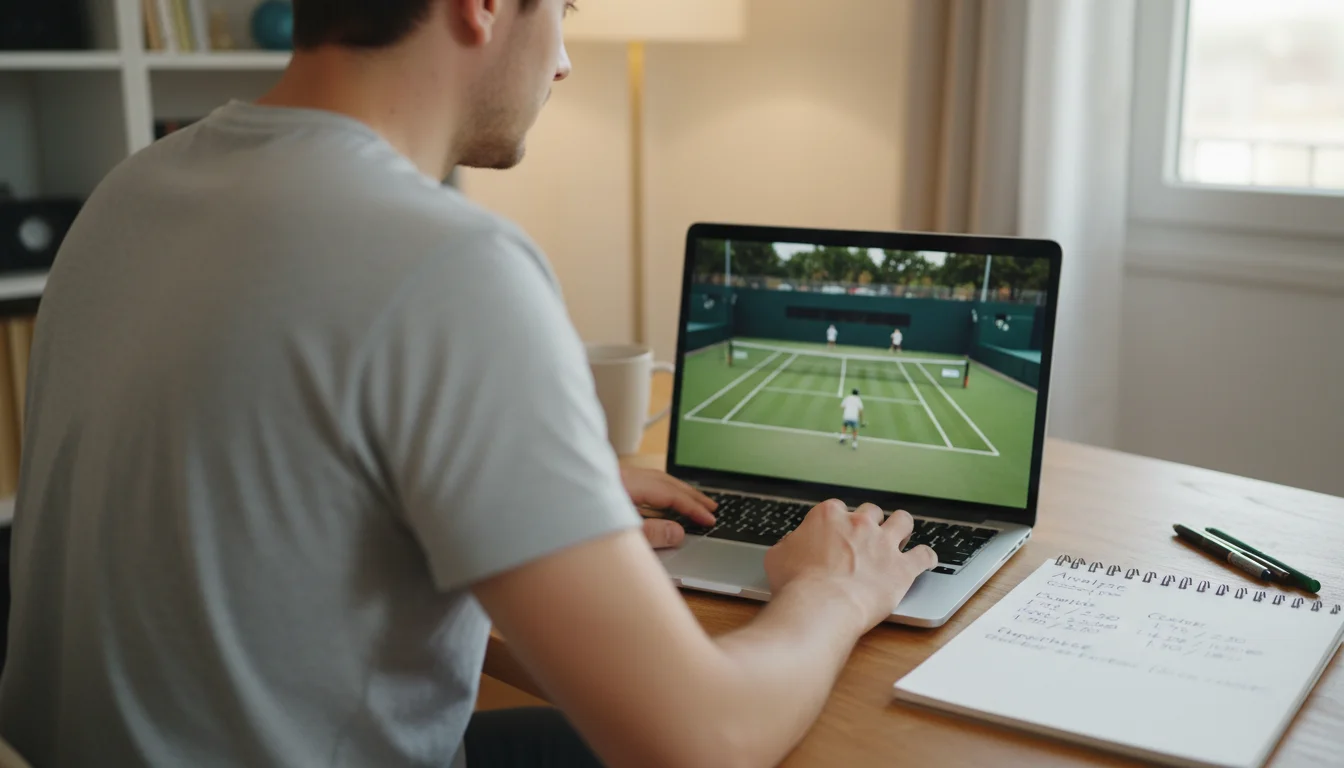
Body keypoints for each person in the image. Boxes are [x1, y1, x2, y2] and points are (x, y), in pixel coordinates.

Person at [0, 2, 937, 767]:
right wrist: (837, 593)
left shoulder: (129, 191)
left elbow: (252, 483)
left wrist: (516, 493)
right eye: (564, 11)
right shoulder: (448, 262)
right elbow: (700, 740)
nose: (564, 61)